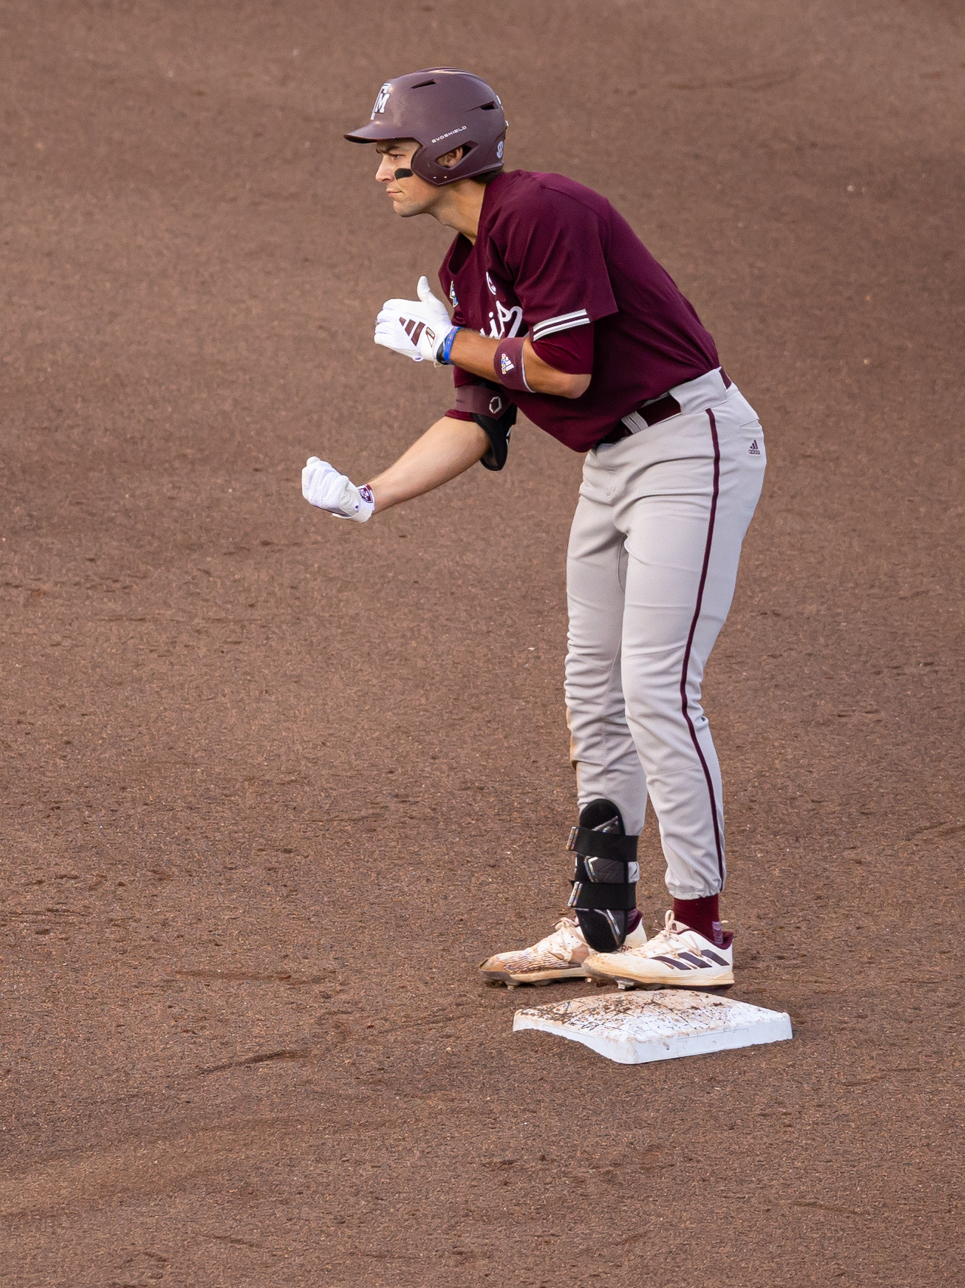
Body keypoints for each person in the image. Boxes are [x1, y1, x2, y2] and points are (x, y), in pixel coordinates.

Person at [303, 70, 765, 991]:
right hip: (611, 467)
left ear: (450, 152)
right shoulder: (460, 271)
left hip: (689, 445)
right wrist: (371, 494)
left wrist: (445, 343)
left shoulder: (540, 212)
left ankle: (703, 929)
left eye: (396, 153)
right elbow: (477, 418)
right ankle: (603, 919)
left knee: (658, 687)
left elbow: (563, 371)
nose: (383, 171)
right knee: (594, 693)